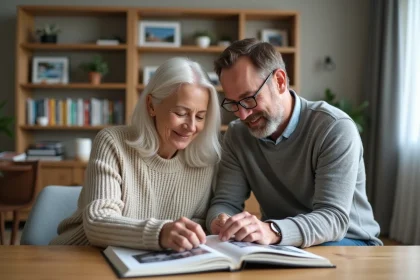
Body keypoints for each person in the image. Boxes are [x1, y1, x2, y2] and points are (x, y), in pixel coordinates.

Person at [206, 38, 382, 247]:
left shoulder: (334, 128)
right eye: (234, 104)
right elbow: (225, 202)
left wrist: (272, 230)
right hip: (283, 243)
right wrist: (221, 221)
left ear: (280, 81)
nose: (243, 115)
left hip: (348, 240)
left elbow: (333, 218)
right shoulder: (237, 135)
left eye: (249, 98)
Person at [50, 57, 222, 252]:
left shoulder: (204, 159)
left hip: (149, 262)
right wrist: (160, 233)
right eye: (181, 113)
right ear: (151, 106)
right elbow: (98, 222)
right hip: (81, 255)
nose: (191, 126)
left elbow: (199, 221)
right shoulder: (113, 142)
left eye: (200, 116)